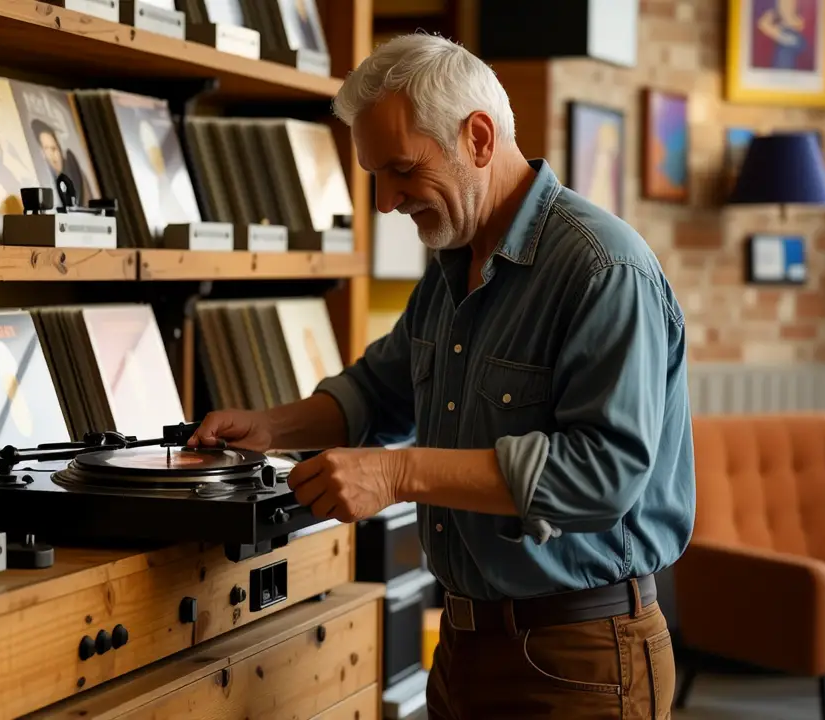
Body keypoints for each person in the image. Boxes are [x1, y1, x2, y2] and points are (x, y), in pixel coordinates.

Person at [188, 33, 695, 719]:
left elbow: (601, 476)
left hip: (584, 658)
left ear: (479, 138)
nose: (385, 202)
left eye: (400, 170)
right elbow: (377, 392)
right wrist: (269, 427)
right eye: (374, 177)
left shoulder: (605, 269)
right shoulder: (452, 266)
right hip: (461, 648)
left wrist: (396, 476)